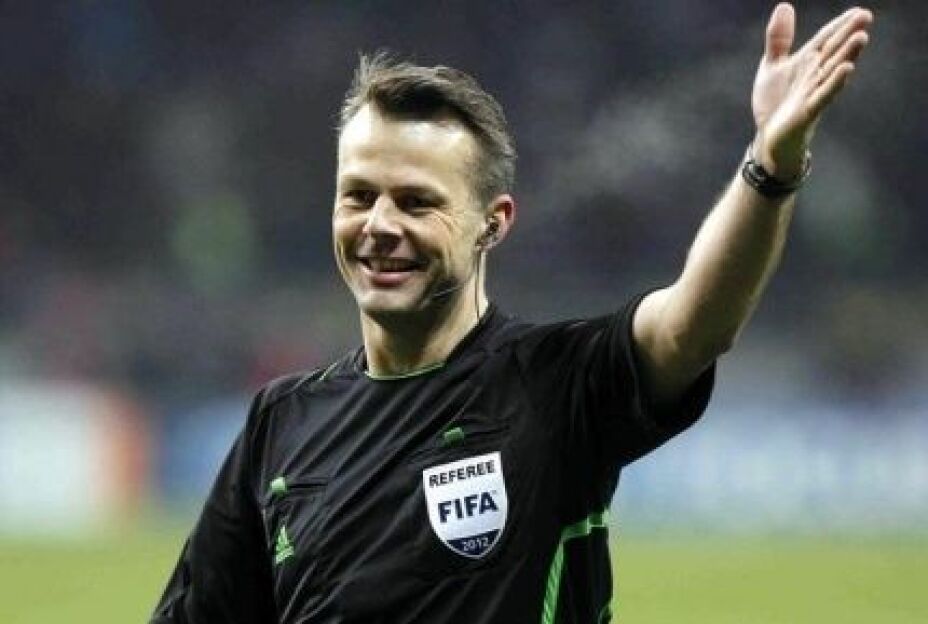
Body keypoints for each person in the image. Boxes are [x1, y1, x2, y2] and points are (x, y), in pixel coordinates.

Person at [150, 4, 873, 622]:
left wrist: (769, 168)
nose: (380, 225)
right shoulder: (280, 424)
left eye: (417, 202)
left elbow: (694, 323)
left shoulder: (555, 385)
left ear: (492, 224)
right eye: (359, 196)